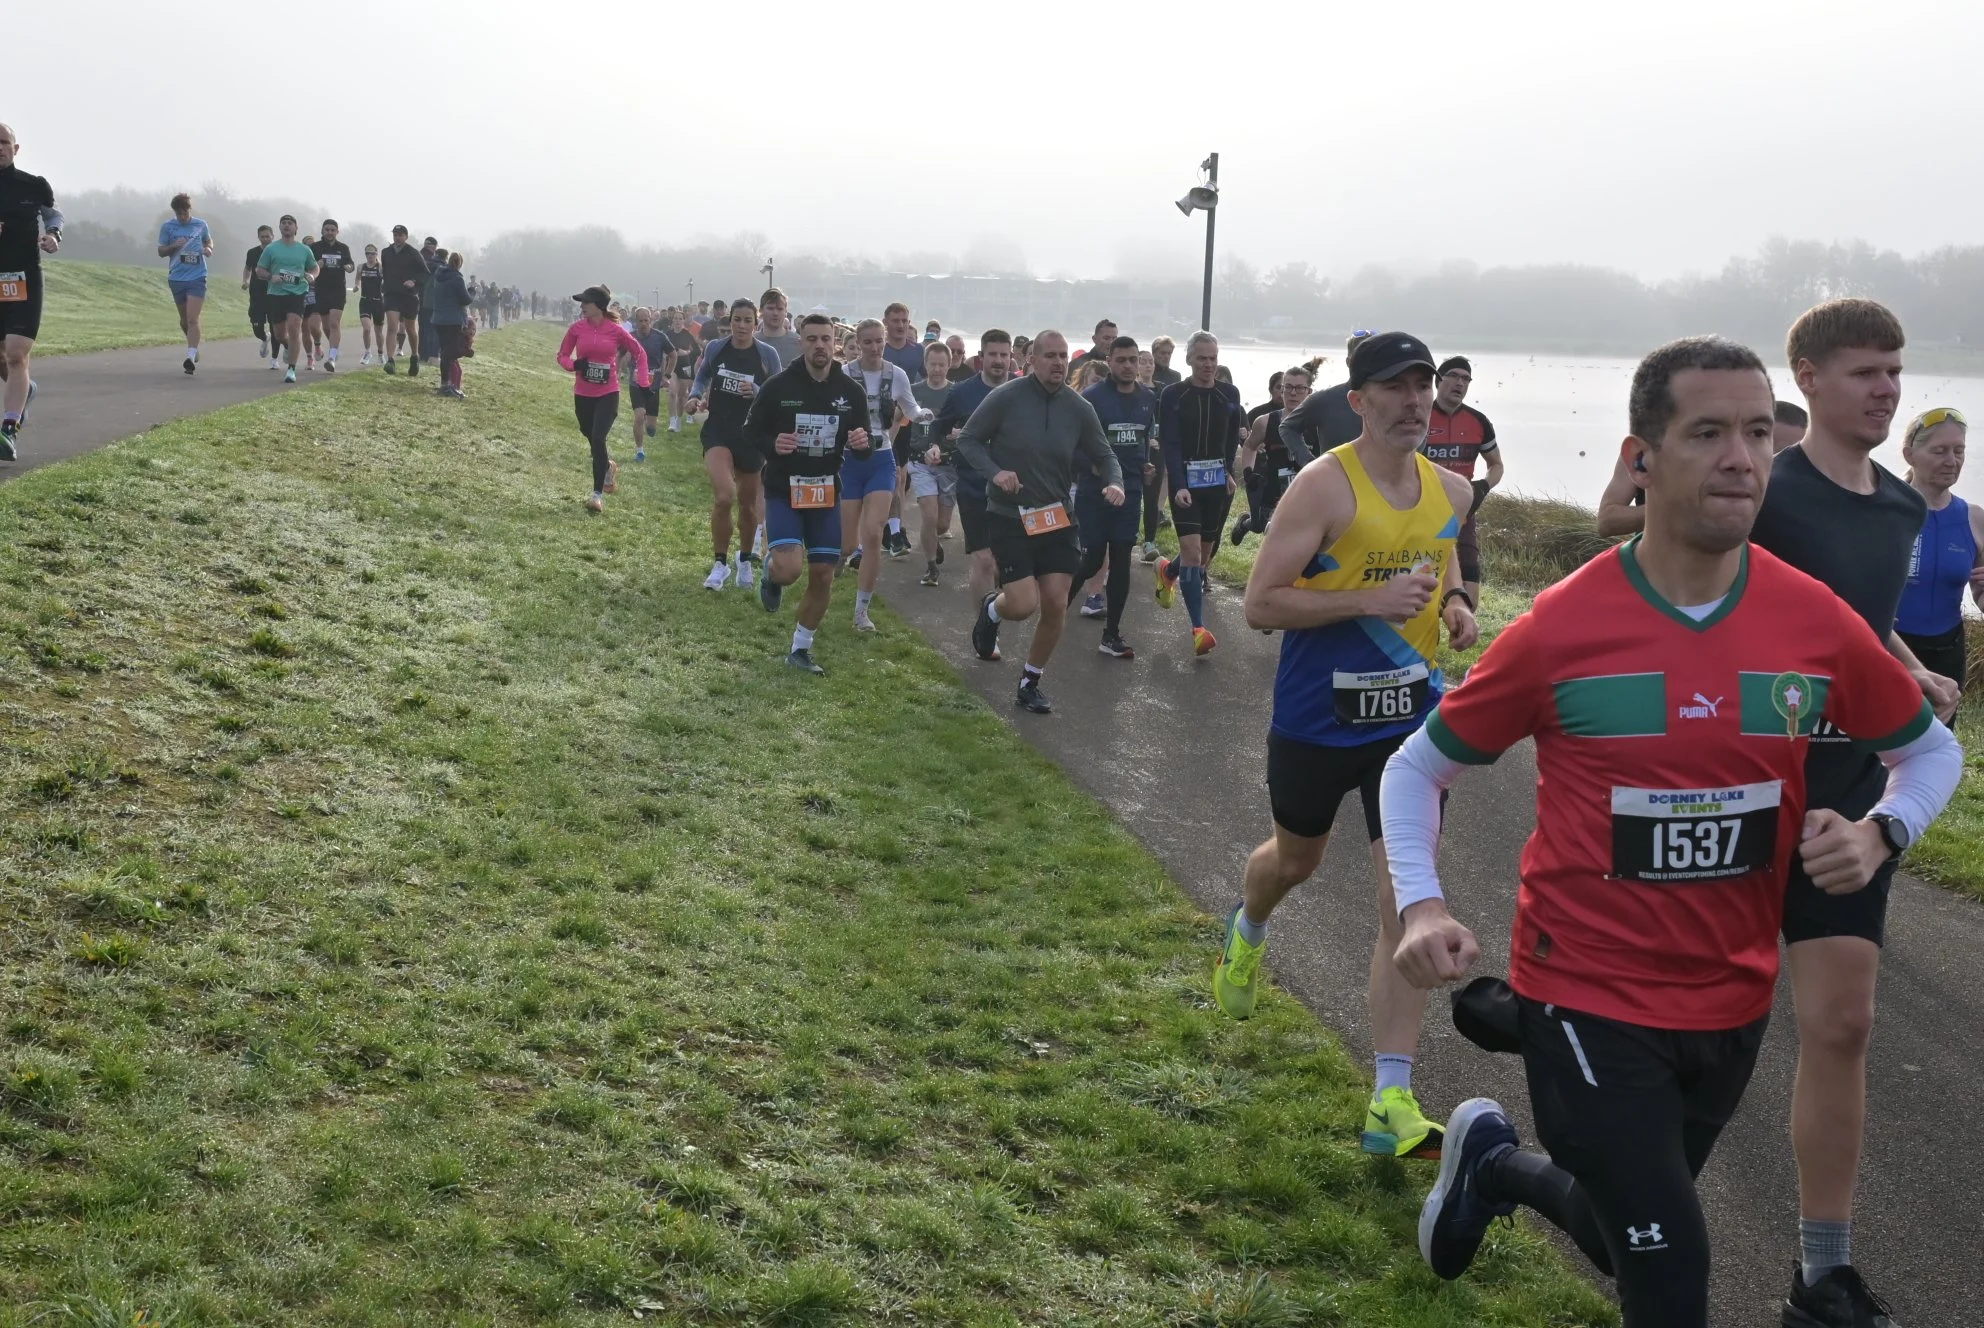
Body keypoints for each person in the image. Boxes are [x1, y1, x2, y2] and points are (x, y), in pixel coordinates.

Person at [1386, 335, 1959, 1328]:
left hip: (1729, 999)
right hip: (1584, 995)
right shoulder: (1565, 626)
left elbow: (1931, 752)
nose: (1741, 457)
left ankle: (1493, 1165)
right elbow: (1416, 766)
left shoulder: (1810, 618)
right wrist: (1421, 904)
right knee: (1671, 1266)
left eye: (1757, 433)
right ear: (1641, 457)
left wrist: (1881, 833)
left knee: (1621, 1225)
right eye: (1707, 433)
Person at [1746, 299, 1960, 1327]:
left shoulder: (1900, 507)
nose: (1885, 389)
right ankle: (1585, 1192)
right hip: (1738, 792)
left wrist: (1906, 666)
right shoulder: (1764, 492)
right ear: (1808, 378)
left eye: (1894, 371)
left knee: (1843, 1022)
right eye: (1866, 371)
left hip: (1848, 804)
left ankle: (1819, 1274)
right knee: (1697, 1033)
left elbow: (1855, 622)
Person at [1221, 331, 1477, 1169]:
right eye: (1395, 387)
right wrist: (1368, 598)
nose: (1414, 401)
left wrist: (1457, 604)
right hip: (1316, 718)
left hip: (1408, 729)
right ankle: (1248, 927)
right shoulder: (1322, 486)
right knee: (1294, 861)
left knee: (1404, 899)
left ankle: (1390, 1100)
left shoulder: (1452, 489)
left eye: (1423, 385)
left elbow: (1442, 558)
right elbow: (1261, 604)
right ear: (1359, 400)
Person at [960, 330, 1125, 713]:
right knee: (1022, 605)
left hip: (1056, 518)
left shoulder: (1078, 407)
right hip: (1009, 515)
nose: (1058, 363)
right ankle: (992, 610)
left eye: (1063, 356)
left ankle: (1030, 683)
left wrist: (1115, 482)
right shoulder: (1006, 397)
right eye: (1050, 355)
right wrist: (996, 473)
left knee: (1055, 603)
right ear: (1031, 360)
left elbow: (1105, 454)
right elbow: (968, 440)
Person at [745, 312, 871, 675]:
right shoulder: (779, 387)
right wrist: (773, 443)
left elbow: (863, 447)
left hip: (825, 492)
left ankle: (800, 649)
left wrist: (862, 443)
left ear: (835, 343)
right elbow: (751, 431)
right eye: (812, 339)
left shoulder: (851, 392)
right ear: (801, 342)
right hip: (784, 488)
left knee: (823, 574)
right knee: (789, 570)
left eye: (825, 339)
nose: (819, 346)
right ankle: (771, 573)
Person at [1600, 397, 1816, 538]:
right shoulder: (1650, 448)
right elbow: (1607, 520)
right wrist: (1685, 507)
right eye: (1760, 439)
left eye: (1790, 455)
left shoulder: (1802, 489)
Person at [1154, 331, 1246, 656]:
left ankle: (1168, 571)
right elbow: (1171, 442)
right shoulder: (1173, 395)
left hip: (1216, 484)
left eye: (1213, 358)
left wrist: (1229, 473)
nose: (1208, 364)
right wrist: (1178, 483)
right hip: (1187, 485)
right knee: (1192, 555)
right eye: (1202, 358)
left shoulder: (1229, 393)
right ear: (1189, 358)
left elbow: (1231, 438)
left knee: (1202, 557)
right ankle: (1198, 629)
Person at [837, 319, 926, 632]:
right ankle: (840, 557)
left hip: (882, 458)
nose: (875, 348)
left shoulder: (896, 374)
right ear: (857, 344)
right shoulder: (844, 374)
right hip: (849, 460)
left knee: (873, 533)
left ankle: (862, 611)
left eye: (879, 341)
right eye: (868, 342)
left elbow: (910, 408)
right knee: (848, 544)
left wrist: (923, 416)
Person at [1073, 335, 1157, 658]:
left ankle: (1111, 635)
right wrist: (1095, 468)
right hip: (1095, 493)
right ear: (1109, 361)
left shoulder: (1148, 398)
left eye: (1133, 360)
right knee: (1093, 558)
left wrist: (1145, 465)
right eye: (1121, 360)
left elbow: (1142, 439)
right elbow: (1073, 448)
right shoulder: (1091, 398)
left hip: (1130, 492)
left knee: (1122, 558)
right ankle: (1055, 609)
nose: (1128, 366)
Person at [688, 298, 780, 591]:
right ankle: (720, 564)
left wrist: (756, 390)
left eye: (747, 320)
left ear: (756, 323)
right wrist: (694, 396)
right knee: (724, 497)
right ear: (730, 322)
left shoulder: (767, 354)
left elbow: (777, 395)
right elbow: (703, 375)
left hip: (751, 436)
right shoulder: (716, 348)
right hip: (718, 431)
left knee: (748, 507)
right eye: (737, 320)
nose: (741, 326)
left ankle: (744, 559)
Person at [1896, 407, 1982, 702]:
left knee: (1939, 732)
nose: (1952, 461)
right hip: (1891, 651)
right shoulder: (1884, 512)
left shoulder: (1974, 518)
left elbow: (1981, 598)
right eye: (1939, 451)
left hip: (1947, 654)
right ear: (1909, 455)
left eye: (1959, 451)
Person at [935, 329, 1016, 624]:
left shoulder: (1023, 390)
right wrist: (942, 443)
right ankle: (985, 629)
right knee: (983, 560)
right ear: (981, 357)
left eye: (1004, 355)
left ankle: (995, 608)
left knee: (1005, 564)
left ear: (1011, 357)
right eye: (992, 354)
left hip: (1015, 490)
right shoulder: (961, 393)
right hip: (973, 486)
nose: (998, 360)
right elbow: (939, 430)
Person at [556, 285, 650, 513]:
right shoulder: (577, 328)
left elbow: (639, 352)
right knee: (588, 433)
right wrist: (574, 365)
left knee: (598, 438)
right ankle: (607, 465)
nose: (581, 306)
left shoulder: (616, 331)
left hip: (608, 393)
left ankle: (597, 495)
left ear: (598, 305)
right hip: (583, 393)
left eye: (586, 302)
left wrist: (643, 380)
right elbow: (562, 355)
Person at [0, 123, 61, 462]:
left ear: (15, 148)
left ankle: (9, 428)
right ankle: (26, 390)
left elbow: (54, 215)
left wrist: (54, 235)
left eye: (3, 142)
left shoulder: (33, 185)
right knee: (3, 358)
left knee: (16, 354)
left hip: (23, 278)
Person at [1421, 356, 1503, 607]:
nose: (1460, 383)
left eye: (1466, 379)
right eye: (1454, 376)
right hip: (1421, 512)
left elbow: (1496, 465)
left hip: (1462, 513)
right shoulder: (1418, 416)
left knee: (1470, 597)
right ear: (1438, 381)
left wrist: (1483, 487)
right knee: (1423, 589)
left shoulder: (1478, 421)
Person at [1231, 365, 1314, 546]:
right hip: (1273, 486)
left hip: (1306, 489)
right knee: (1259, 525)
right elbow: (1249, 446)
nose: (1293, 393)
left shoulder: (1318, 423)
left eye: (1299, 388)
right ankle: (1246, 522)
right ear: (1282, 390)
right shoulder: (1265, 422)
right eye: (1288, 387)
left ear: (1309, 392)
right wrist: (1248, 472)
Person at [909, 340, 957, 586]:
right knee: (929, 515)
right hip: (919, 462)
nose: (937, 369)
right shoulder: (913, 391)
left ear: (949, 365)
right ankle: (931, 567)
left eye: (942, 365)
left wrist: (958, 433)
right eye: (932, 364)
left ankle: (934, 540)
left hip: (949, 464)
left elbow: (971, 424)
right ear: (925, 365)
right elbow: (898, 421)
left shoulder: (957, 392)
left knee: (941, 523)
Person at [881, 302, 926, 555]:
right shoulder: (880, 348)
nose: (900, 325)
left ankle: (894, 527)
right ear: (885, 322)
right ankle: (893, 531)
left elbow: (929, 381)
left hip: (907, 419)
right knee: (894, 475)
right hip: (881, 421)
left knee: (901, 477)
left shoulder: (918, 351)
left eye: (904, 321)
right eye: (895, 320)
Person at [254, 216, 318, 386]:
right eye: (283, 223)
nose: (287, 226)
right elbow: (259, 270)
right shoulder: (271, 249)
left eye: (290, 223)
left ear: (296, 228)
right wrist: (270, 276)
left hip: (297, 293)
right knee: (280, 335)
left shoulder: (304, 250)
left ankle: (291, 369)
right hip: (276, 294)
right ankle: (288, 346)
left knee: (295, 328)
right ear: (280, 228)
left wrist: (312, 276)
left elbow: (315, 267)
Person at [155, 192, 212, 375]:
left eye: (185, 213)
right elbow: (161, 251)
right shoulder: (168, 227)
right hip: (177, 277)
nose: (182, 216)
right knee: (184, 320)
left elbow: (208, 240)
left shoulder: (200, 225)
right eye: (178, 213)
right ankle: (193, 345)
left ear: (190, 209)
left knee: (193, 318)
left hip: (197, 276)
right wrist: (174, 246)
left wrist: (208, 248)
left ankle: (190, 356)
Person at [306, 219, 353, 373]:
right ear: (322, 231)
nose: (330, 232)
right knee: (326, 326)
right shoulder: (315, 247)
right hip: (321, 289)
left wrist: (348, 267)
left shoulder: (343, 248)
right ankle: (334, 348)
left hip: (338, 290)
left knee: (334, 323)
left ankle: (331, 358)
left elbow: (350, 264)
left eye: (333, 230)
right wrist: (316, 265)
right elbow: (307, 265)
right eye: (327, 229)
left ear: (337, 232)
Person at [380, 225, 425, 376]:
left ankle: (414, 356)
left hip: (408, 295)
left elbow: (425, 273)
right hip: (391, 294)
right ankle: (390, 360)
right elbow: (385, 271)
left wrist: (414, 281)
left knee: (410, 329)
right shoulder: (386, 252)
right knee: (392, 326)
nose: (397, 238)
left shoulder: (413, 253)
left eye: (400, 235)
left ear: (406, 237)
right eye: (395, 235)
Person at [427, 250, 472, 399]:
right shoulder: (457, 279)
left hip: (438, 318)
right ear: (459, 264)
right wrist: (472, 293)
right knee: (449, 353)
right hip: (452, 320)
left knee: (444, 350)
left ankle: (445, 383)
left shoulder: (438, 276)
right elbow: (465, 300)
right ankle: (446, 385)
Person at [627, 307, 670, 456]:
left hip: (653, 385)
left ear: (651, 320)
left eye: (646, 320)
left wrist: (667, 376)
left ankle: (649, 422)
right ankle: (640, 451)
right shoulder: (630, 337)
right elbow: (619, 353)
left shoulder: (660, 337)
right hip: (636, 384)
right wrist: (619, 367)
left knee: (651, 428)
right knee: (639, 415)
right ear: (636, 321)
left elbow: (673, 355)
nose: (644, 324)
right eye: (640, 321)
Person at [242, 224, 276, 364]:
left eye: (267, 236)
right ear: (258, 237)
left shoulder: (278, 252)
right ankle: (264, 338)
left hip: (274, 293)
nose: (265, 239)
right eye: (262, 237)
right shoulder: (252, 252)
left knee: (275, 327)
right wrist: (245, 280)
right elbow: (248, 268)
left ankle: (274, 358)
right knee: (257, 327)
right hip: (257, 294)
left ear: (273, 236)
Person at [665, 308, 699, 432]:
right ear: (672, 320)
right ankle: (672, 421)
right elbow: (662, 348)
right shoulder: (667, 334)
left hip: (685, 365)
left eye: (680, 319)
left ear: (683, 321)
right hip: (671, 366)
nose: (678, 321)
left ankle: (678, 420)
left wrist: (687, 352)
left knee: (681, 396)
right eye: (675, 318)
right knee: (672, 393)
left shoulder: (687, 334)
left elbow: (697, 350)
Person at [757, 287, 802, 368]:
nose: (775, 313)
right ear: (761, 310)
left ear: (785, 312)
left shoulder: (799, 343)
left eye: (780, 309)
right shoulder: (751, 342)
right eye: (770, 308)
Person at [356, 245, 385, 366]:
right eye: (367, 253)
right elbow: (357, 279)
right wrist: (357, 286)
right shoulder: (361, 267)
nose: (370, 256)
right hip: (365, 301)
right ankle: (367, 352)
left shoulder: (381, 267)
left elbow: (387, 280)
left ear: (376, 254)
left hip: (378, 302)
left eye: (372, 253)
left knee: (378, 332)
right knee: (367, 328)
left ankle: (380, 354)